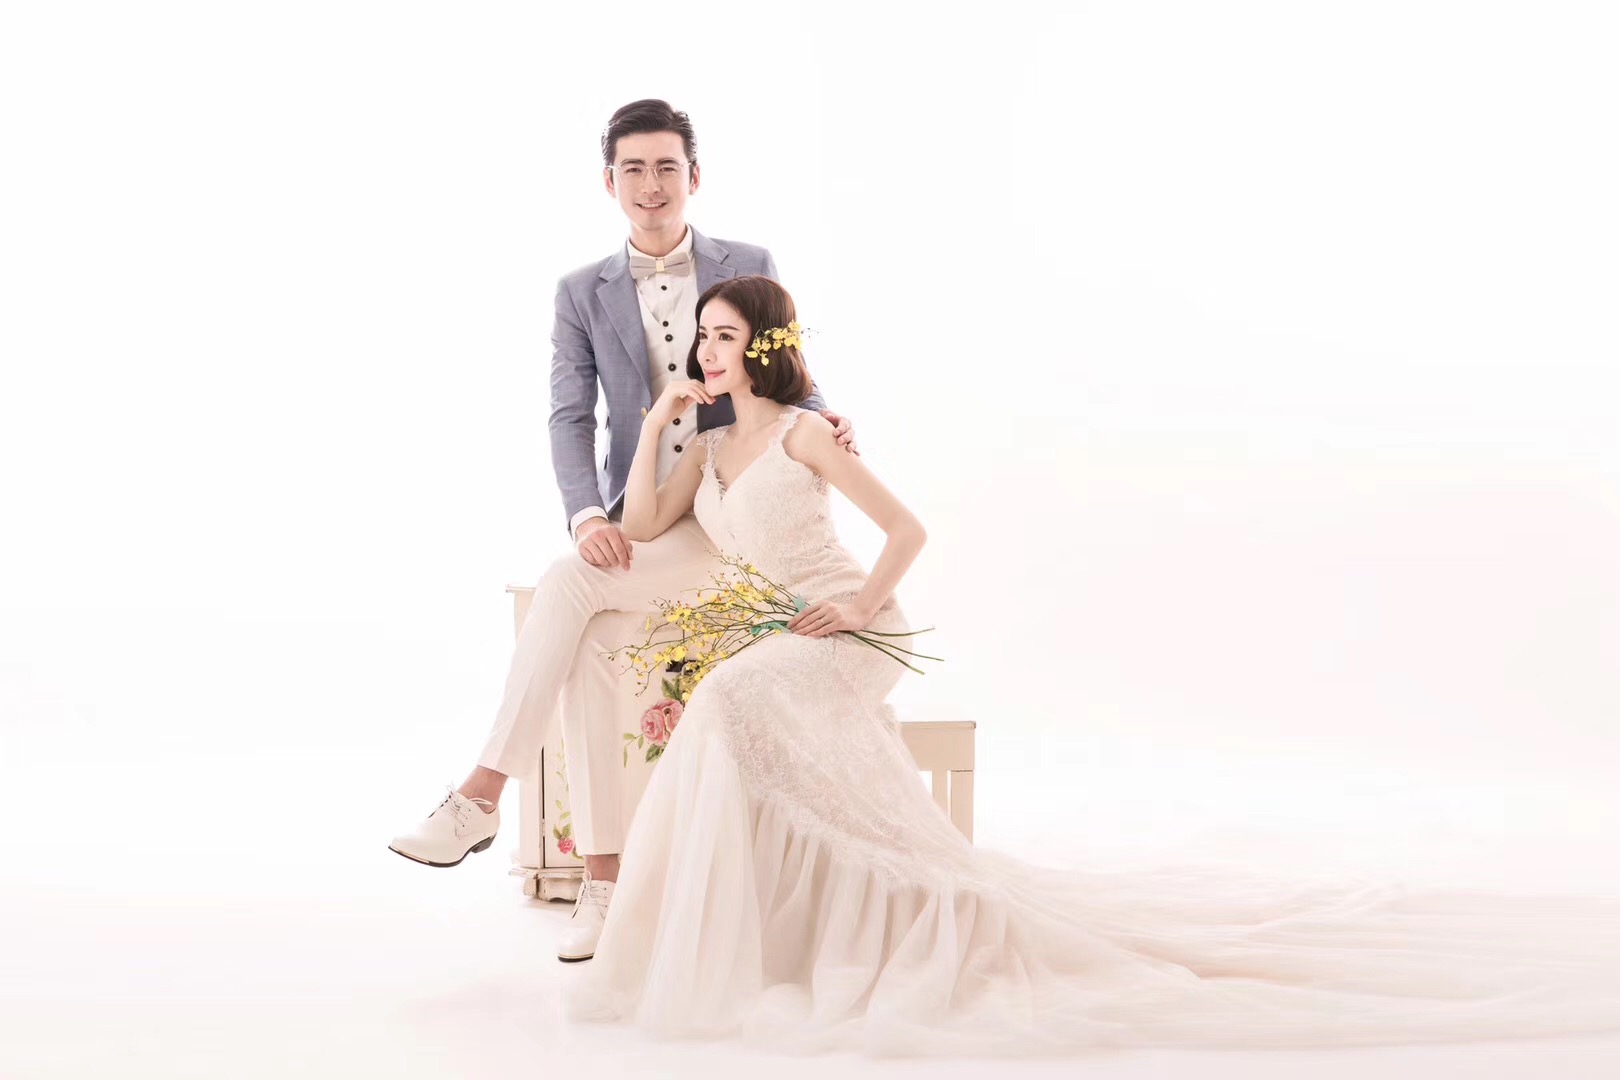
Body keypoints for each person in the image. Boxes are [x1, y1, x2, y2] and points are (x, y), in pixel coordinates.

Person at [563, 273, 1620, 1056]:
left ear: (765, 347)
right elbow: (642, 522)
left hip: (849, 635)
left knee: (730, 698)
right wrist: (654, 424)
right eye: (701, 336)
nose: (707, 350)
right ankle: (758, 936)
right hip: (780, 636)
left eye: (725, 335)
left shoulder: (805, 434)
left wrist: (860, 608)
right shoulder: (707, 446)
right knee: (733, 704)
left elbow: (908, 530)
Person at [387, 100, 858, 965]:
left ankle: (485, 801)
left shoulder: (749, 263)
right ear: (609, 182)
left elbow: (788, 369)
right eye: (633, 169)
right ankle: (597, 879)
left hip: (738, 510)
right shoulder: (580, 291)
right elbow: (570, 414)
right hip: (652, 508)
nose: (651, 185)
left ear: (694, 176)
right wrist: (588, 515)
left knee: (579, 606)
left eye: (666, 167)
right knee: (584, 611)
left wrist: (826, 420)